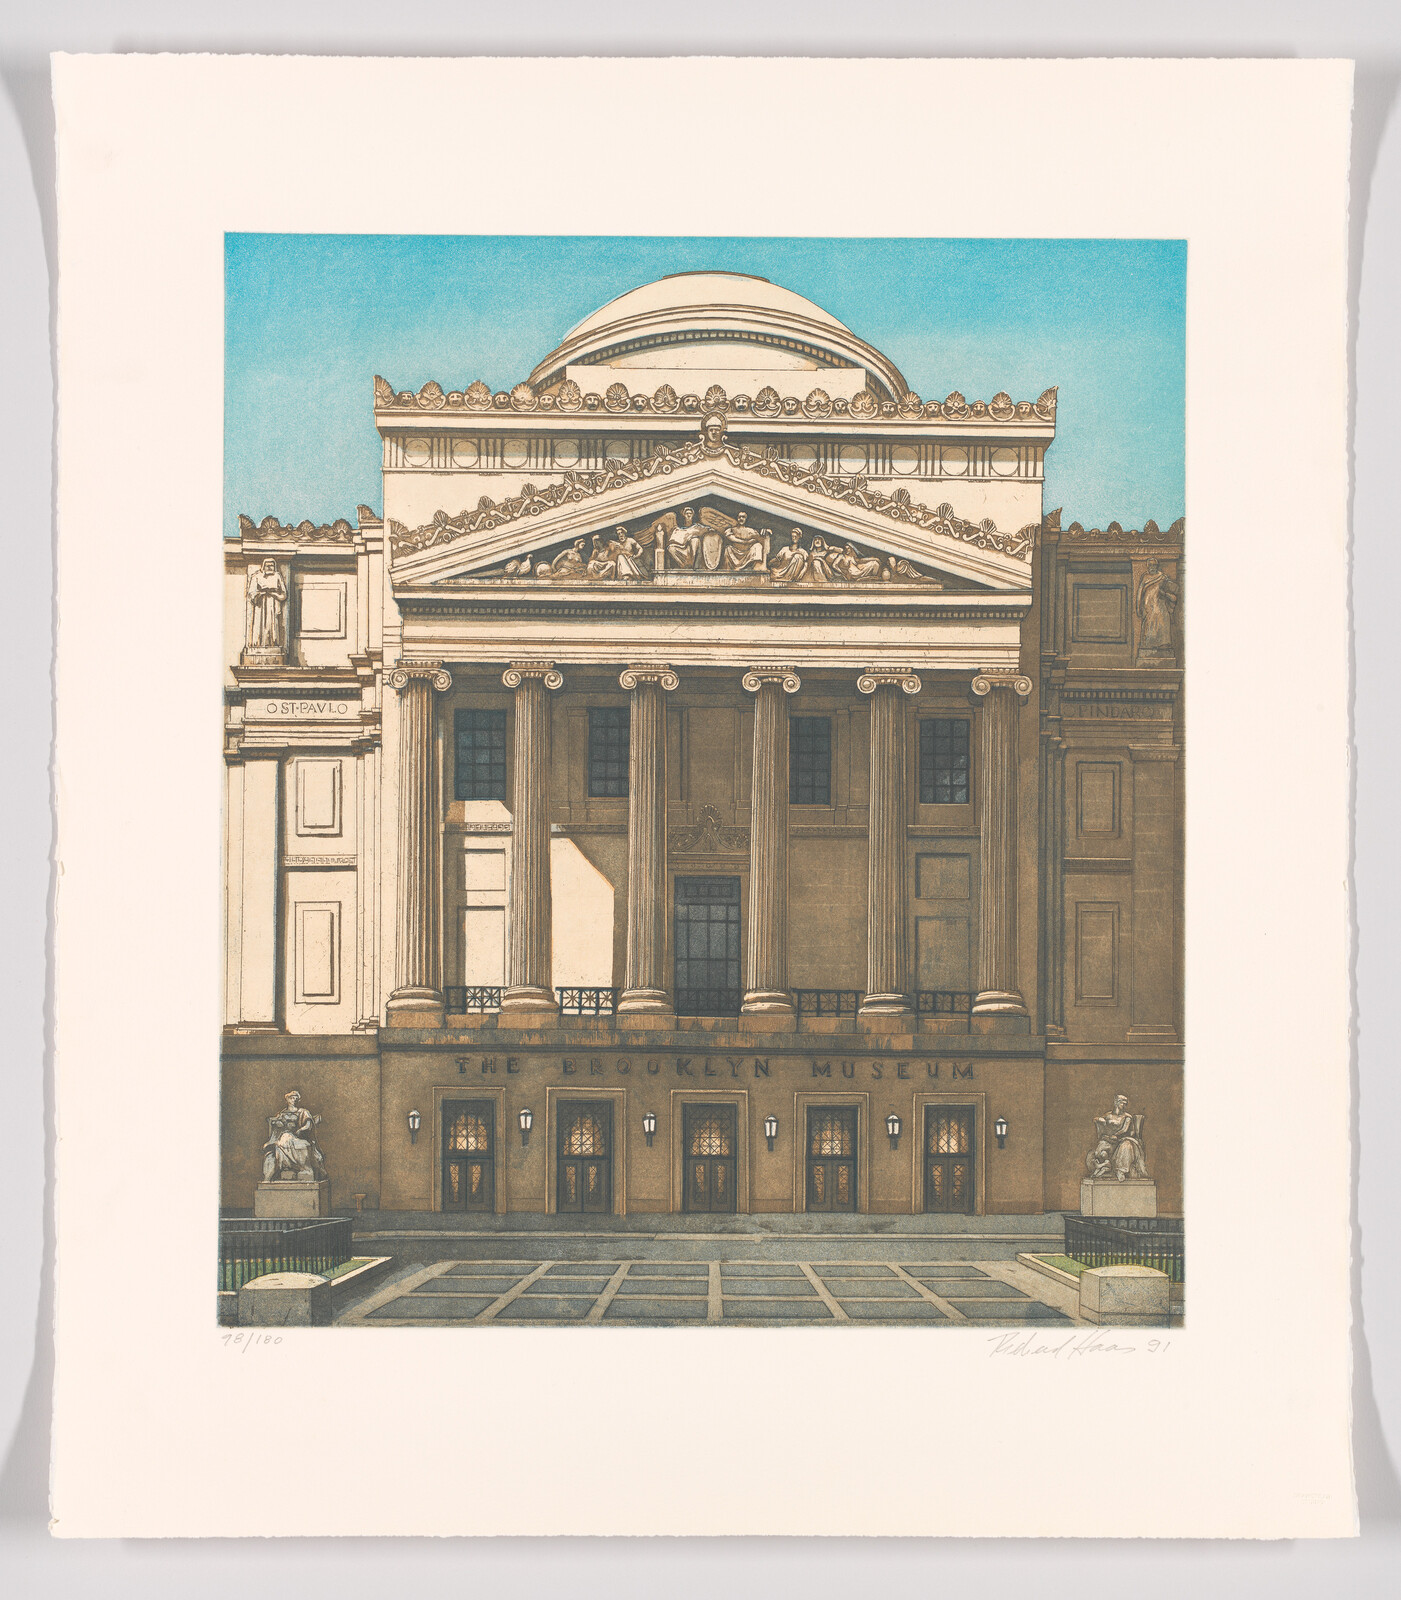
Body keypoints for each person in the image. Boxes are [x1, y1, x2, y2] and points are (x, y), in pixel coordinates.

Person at [262, 1091, 327, 1183]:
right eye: (292, 1098)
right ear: (287, 1100)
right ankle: (284, 1170)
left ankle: (305, 1169)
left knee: (299, 1144)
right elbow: (276, 1127)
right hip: (285, 1136)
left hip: (299, 1137)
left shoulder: (303, 1112)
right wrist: (276, 1123)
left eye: (296, 1098)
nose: (294, 1100)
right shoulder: (282, 1114)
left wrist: (301, 1130)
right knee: (281, 1142)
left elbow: (308, 1125)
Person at [1085, 1094, 1149, 1180]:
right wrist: (1098, 1122)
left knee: (1127, 1145)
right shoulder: (1108, 1115)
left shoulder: (1127, 1117)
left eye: (1126, 1104)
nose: (1124, 1106)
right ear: (1116, 1103)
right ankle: (1105, 1166)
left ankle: (1120, 1170)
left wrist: (1116, 1135)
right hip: (1108, 1140)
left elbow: (1125, 1130)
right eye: (1123, 1103)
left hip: (1121, 1140)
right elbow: (1101, 1125)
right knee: (1100, 1152)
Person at [1136, 559, 1178, 653]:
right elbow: (1140, 592)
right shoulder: (1145, 577)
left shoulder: (1162, 577)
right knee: (1149, 624)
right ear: (1148, 566)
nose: (1152, 568)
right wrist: (1138, 606)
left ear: (1157, 566)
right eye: (1150, 566)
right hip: (1148, 605)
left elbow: (1173, 589)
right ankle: (1147, 646)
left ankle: (1163, 646)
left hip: (1160, 604)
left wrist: (1164, 593)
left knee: (1162, 623)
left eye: (1154, 566)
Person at [246, 557, 286, 650]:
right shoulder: (256, 576)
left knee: (272, 624)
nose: (269, 567)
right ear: (263, 566)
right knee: (259, 625)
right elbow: (251, 593)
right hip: (260, 605)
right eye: (267, 565)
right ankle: (258, 645)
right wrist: (261, 593)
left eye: (271, 565)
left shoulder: (277, 576)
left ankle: (273, 644)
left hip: (273, 603)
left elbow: (284, 594)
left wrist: (273, 593)